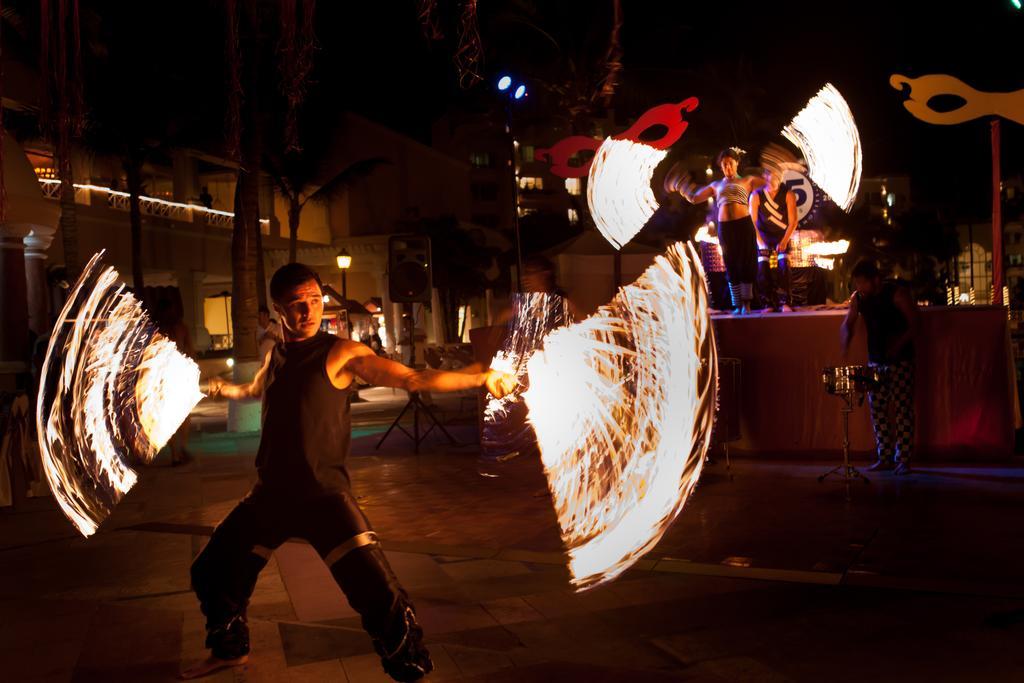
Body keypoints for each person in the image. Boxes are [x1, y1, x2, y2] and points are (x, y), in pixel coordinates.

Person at [182, 263, 516, 681]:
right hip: (270, 495)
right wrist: (216, 387)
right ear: (277, 309)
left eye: (315, 301)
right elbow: (254, 390)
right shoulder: (276, 353)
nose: (309, 311)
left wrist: (481, 379)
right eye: (296, 304)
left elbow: (412, 378)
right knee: (211, 569)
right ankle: (230, 650)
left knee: (380, 595)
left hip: (324, 497)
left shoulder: (341, 353)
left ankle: (410, 670)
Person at [665, 148, 768, 314]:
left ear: (737, 163)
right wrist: (680, 184)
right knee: (731, 263)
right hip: (726, 228)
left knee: (746, 262)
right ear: (721, 166)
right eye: (724, 164)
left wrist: (775, 169)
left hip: (744, 225)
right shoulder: (716, 185)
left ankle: (747, 304)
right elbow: (695, 197)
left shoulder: (747, 181)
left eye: (730, 163)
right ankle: (737, 304)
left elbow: (769, 183)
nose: (728, 167)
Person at [840, 260, 918, 475]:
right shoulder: (859, 298)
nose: (859, 287)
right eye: (856, 283)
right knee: (878, 411)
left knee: (903, 410)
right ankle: (884, 457)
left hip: (901, 361)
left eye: (862, 282)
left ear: (876, 279)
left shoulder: (897, 293)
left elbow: (915, 323)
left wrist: (898, 345)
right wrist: (845, 339)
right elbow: (848, 323)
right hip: (875, 361)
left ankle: (903, 459)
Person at [154, 296, 195, 466]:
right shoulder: (179, 327)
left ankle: (176, 453)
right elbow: (191, 351)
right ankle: (180, 449)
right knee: (183, 415)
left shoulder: (157, 330)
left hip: (165, 376)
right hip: (176, 374)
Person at [749, 166, 797, 312]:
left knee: (783, 264)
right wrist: (760, 241)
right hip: (763, 237)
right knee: (762, 266)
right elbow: (752, 222)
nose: (775, 179)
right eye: (772, 176)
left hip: (782, 236)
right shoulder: (756, 195)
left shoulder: (788, 194)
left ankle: (785, 302)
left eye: (778, 176)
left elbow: (793, 221)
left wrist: (784, 241)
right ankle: (767, 303)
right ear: (766, 176)